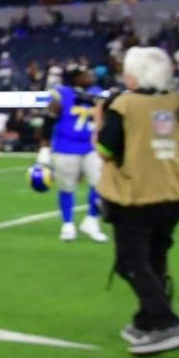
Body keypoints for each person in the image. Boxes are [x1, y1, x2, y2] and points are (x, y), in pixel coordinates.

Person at [95, 47, 179, 356]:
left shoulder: (125, 104)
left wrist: (101, 119)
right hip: (174, 192)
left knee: (130, 261)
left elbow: (105, 150)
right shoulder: (177, 101)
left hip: (136, 194)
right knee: (155, 256)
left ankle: (166, 322)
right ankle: (145, 321)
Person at [37, 65, 108, 243]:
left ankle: (91, 220)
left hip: (91, 146)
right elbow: (48, 120)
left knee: (101, 184)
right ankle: (67, 224)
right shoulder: (60, 93)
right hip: (66, 147)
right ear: (75, 78)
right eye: (85, 75)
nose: (90, 77)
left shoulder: (97, 92)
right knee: (66, 187)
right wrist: (44, 149)